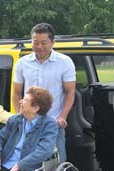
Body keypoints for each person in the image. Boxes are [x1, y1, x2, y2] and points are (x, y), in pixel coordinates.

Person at [13, 22, 76, 162]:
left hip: (53, 124)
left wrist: (62, 116)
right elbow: (16, 93)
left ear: (52, 42)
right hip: (28, 125)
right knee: (27, 165)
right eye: (35, 42)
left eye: (44, 42)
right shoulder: (22, 63)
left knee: (58, 167)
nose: (39, 46)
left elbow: (70, 92)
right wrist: (20, 116)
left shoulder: (65, 62)